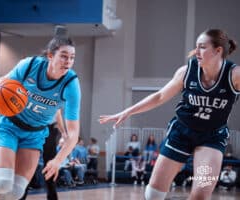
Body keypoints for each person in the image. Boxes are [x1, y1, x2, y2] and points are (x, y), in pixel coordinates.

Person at [99, 29, 240, 200]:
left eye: (202, 47)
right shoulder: (186, 71)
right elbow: (159, 96)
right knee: (153, 194)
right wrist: (127, 111)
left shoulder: (234, 75)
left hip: (212, 137)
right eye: (196, 47)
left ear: (218, 51)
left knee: (201, 195)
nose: (196, 52)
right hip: (182, 133)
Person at [0, 26, 81, 200]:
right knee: (2, 183)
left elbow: (73, 133)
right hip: (9, 125)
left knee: (16, 192)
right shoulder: (29, 66)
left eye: (72, 58)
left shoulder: (71, 84)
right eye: (64, 56)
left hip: (35, 134)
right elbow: (4, 83)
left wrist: (58, 160)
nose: (68, 61)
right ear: (50, 56)